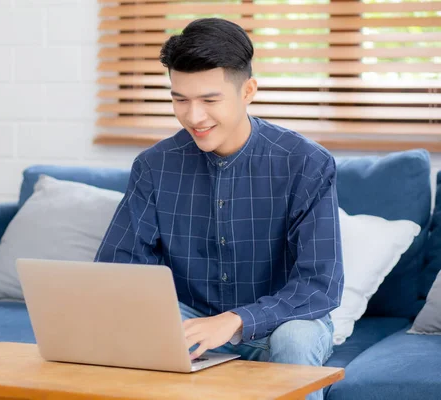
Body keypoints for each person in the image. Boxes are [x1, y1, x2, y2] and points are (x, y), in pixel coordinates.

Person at [95, 17, 344, 400]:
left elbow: (319, 286)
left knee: (297, 337)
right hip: (192, 325)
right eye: (180, 99)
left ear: (248, 91)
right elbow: (119, 269)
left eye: (210, 100)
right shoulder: (153, 166)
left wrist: (235, 321)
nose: (194, 117)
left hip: (280, 324)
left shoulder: (305, 163)